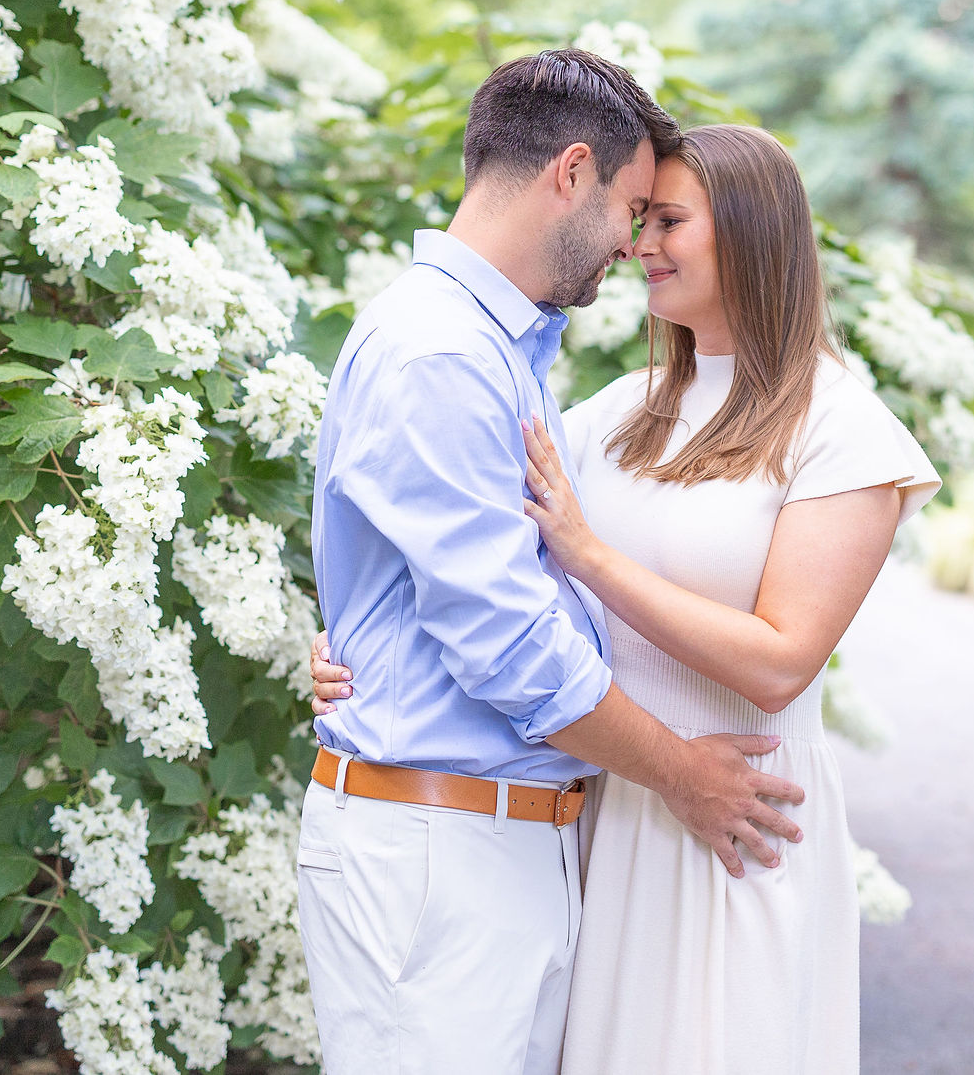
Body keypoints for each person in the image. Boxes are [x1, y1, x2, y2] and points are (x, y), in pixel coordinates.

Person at [315, 121, 941, 1074]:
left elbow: (780, 660)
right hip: (614, 810)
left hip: (737, 819)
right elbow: (450, 544)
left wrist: (591, 556)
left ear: (752, 232)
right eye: (638, 216)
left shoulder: (842, 426)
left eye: (670, 220)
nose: (640, 243)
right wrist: (352, 646)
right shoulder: (614, 411)